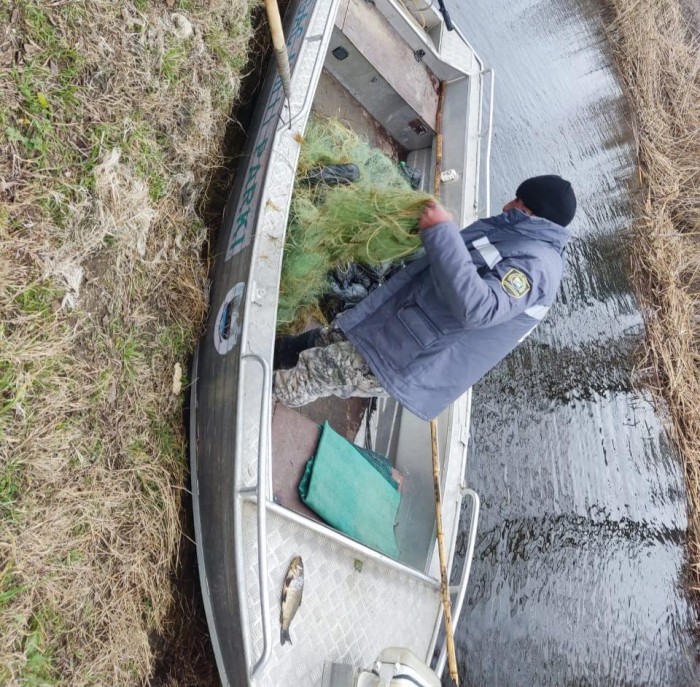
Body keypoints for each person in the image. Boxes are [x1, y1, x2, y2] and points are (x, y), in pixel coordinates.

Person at [273, 174, 576, 421]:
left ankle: (247, 390)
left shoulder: (536, 266)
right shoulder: (516, 233)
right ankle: (273, 353)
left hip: (406, 353)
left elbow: (479, 308)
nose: (508, 203)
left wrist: (442, 233)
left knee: (317, 372)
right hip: (399, 319)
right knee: (325, 339)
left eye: (518, 202)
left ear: (530, 212)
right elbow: (462, 264)